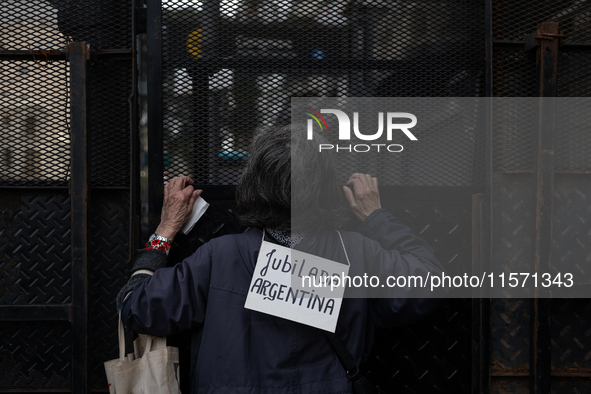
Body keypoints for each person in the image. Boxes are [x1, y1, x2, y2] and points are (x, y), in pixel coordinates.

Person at [117, 124, 444, 394]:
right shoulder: (356, 252)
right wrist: (375, 216)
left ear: (253, 185)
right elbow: (430, 284)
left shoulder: (220, 257)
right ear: (327, 188)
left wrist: (166, 229)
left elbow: (137, 306)